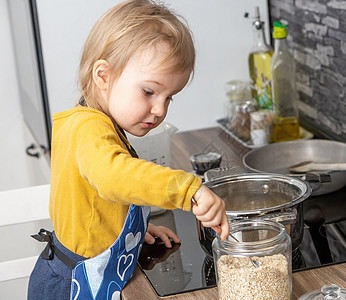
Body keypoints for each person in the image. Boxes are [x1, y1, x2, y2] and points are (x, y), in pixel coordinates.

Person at [27, 1, 229, 299]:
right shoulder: (88, 130)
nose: (160, 109)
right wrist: (190, 190)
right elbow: (114, 177)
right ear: (103, 76)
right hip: (70, 285)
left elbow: (94, 209)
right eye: (149, 91)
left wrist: (129, 236)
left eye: (169, 97)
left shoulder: (101, 123)